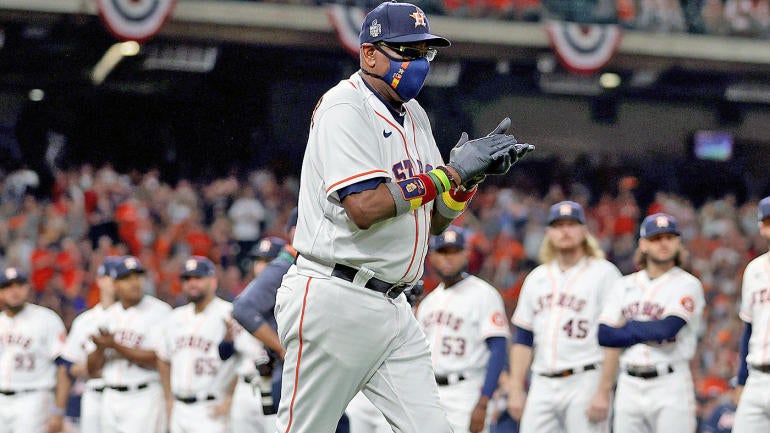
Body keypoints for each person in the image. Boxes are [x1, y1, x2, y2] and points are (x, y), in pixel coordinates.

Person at [275, 1, 532, 432]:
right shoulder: (345, 106)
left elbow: (429, 220)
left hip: (395, 306)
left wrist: (466, 183)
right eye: (406, 51)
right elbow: (364, 207)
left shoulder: (415, 116)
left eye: (424, 53)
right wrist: (448, 173)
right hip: (336, 297)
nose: (418, 64)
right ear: (370, 54)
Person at [507, 201, 623, 433]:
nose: (565, 231)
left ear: (584, 231)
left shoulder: (604, 273)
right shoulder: (536, 277)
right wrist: (515, 388)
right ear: (549, 233)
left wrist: (604, 389)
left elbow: (614, 337)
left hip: (586, 378)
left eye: (571, 224)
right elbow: (523, 338)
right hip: (541, 381)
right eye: (558, 225)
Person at [598, 212, 705, 433]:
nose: (663, 243)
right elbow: (605, 334)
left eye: (669, 237)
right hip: (628, 383)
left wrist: (628, 328)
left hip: (670, 382)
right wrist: (647, 331)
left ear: (678, 242)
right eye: (656, 238)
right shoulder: (624, 285)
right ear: (644, 245)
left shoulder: (688, 284)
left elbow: (667, 328)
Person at [416, 226, 510, 433]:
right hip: (430, 392)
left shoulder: (484, 294)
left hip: (467, 391)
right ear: (432, 257)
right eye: (443, 252)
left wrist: (484, 401)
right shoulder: (428, 303)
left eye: (455, 252)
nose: (448, 259)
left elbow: (498, 349)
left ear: (466, 254)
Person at [86, 255, 171, 433]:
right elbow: (92, 370)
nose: (134, 283)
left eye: (137, 276)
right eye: (126, 278)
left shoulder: (160, 312)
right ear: (115, 285)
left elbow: (158, 359)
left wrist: (115, 346)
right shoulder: (107, 316)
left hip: (144, 395)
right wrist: (100, 348)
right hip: (109, 396)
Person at [157, 256, 239, 433]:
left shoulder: (229, 313)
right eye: (187, 279)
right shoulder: (174, 317)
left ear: (213, 281)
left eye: (198, 278)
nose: (192, 284)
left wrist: (231, 397)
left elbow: (246, 359)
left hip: (212, 408)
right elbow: (163, 358)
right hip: (179, 408)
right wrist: (168, 399)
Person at [0, 266, 69, 433]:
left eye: (19, 285)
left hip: (34, 399)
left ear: (28, 288)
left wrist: (58, 411)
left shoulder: (46, 319)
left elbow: (64, 366)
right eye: (8, 286)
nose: (14, 291)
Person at [60, 256, 122, 433]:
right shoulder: (85, 321)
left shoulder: (136, 317)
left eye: (122, 278)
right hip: (94, 393)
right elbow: (70, 365)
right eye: (113, 277)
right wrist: (90, 367)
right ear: (100, 280)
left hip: (130, 395)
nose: (117, 283)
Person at [733, 196, 770, 432]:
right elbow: (748, 329)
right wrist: (741, 380)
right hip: (756, 377)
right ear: (762, 227)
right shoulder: (754, 269)